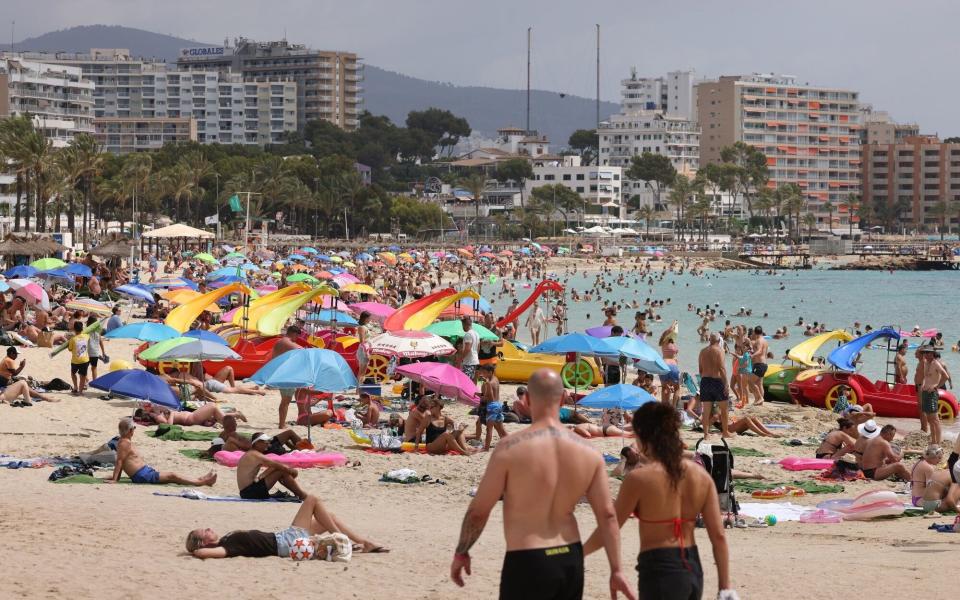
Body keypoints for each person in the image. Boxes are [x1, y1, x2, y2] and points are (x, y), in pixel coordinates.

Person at [450, 369, 635, 600]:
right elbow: (608, 516)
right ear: (562, 399)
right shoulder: (589, 453)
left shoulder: (509, 449)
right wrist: (616, 569)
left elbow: (479, 511)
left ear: (526, 399)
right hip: (570, 557)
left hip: (528, 558)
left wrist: (462, 551)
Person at [582, 402, 734, 600]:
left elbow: (610, 525)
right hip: (693, 569)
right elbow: (719, 536)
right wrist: (725, 587)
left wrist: (579, 553)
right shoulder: (701, 476)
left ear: (643, 436)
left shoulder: (639, 479)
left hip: (660, 569)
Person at [186, 493, 388, 558]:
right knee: (312, 500)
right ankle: (347, 540)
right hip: (286, 543)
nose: (209, 528)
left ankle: (360, 542)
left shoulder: (226, 540)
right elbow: (200, 554)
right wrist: (198, 550)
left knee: (329, 516)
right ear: (203, 542)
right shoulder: (225, 548)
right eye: (204, 531)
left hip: (284, 538)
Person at [109, 417, 216, 486]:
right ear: (130, 430)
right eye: (134, 428)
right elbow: (119, 461)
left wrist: (116, 478)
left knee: (172, 476)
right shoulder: (124, 443)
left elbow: (122, 462)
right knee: (172, 475)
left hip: (144, 472)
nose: (134, 431)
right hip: (142, 475)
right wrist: (115, 479)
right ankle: (202, 482)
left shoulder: (124, 441)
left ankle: (200, 479)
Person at [236, 433, 309, 500]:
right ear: (257, 443)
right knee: (281, 471)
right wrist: (293, 472)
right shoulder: (256, 455)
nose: (268, 444)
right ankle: (301, 494)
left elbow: (275, 465)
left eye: (268, 442)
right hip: (250, 493)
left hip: (245, 492)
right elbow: (282, 467)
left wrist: (262, 475)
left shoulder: (251, 453)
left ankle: (300, 494)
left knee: (279, 469)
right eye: (266, 442)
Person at [698, 333, 730, 439]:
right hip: (717, 381)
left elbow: (700, 370)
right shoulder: (720, 350)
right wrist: (726, 383)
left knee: (706, 410)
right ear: (718, 340)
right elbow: (721, 367)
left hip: (705, 381)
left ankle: (706, 434)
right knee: (724, 408)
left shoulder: (702, 351)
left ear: (709, 339)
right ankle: (725, 432)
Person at [271, 325, 303, 428]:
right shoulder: (287, 343)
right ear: (294, 334)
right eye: (296, 336)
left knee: (285, 401)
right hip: (286, 376)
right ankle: (281, 424)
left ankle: (282, 423)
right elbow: (303, 351)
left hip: (280, 374)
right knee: (285, 401)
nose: (296, 339)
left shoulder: (280, 342)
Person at [920, 348, 950, 445]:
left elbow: (946, 376)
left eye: (928, 352)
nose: (926, 354)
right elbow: (926, 377)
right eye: (925, 353)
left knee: (935, 419)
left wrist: (936, 386)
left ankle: (938, 442)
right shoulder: (925, 363)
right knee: (930, 419)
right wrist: (923, 385)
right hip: (925, 392)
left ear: (932, 354)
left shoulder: (936, 363)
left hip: (932, 393)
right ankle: (933, 441)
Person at [478, 364, 508, 451]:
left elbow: (489, 398)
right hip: (498, 405)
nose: (482, 374)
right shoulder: (496, 379)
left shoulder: (489, 383)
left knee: (489, 429)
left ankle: (486, 448)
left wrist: (480, 396)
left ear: (490, 372)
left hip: (492, 406)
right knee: (500, 429)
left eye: (484, 372)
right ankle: (512, 443)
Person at [66, 320, 90, 394]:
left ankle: (75, 387)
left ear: (74, 329)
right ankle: (80, 391)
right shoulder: (86, 336)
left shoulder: (73, 339)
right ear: (82, 329)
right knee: (83, 376)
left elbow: (70, 349)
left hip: (75, 361)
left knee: (73, 374)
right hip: (85, 360)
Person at [86, 316, 107, 380]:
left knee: (84, 368)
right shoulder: (98, 332)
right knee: (94, 368)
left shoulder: (86, 331)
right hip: (95, 352)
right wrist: (103, 352)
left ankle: (86, 380)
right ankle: (94, 381)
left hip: (87, 352)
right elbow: (101, 342)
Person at [460, 316, 480, 380]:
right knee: (471, 382)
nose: (462, 327)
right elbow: (478, 348)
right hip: (475, 361)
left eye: (462, 325)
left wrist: (460, 358)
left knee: (466, 381)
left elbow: (467, 349)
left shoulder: (468, 334)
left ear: (465, 324)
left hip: (468, 362)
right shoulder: (477, 333)